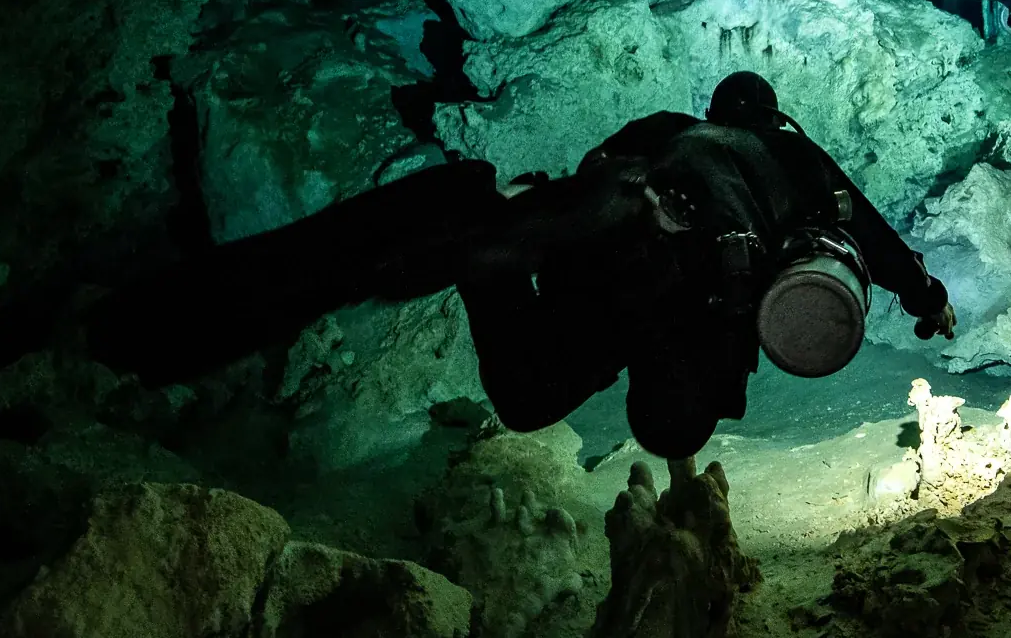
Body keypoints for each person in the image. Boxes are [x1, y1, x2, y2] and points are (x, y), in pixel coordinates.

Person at [89, 73, 954, 460]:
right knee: (632, 417)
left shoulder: (671, 126)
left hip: (626, 247)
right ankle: (483, 237)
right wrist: (923, 296)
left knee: (527, 387)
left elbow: (599, 162)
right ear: (770, 111)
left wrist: (572, 218)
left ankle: (482, 234)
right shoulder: (794, 155)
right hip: (685, 293)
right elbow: (870, 236)